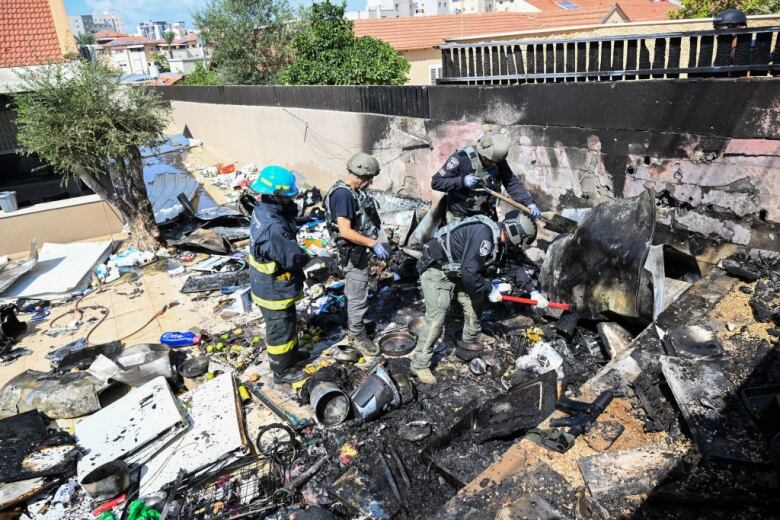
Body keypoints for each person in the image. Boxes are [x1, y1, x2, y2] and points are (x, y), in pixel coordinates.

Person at [410, 210, 549, 384]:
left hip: (458, 269)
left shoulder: (502, 240)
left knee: (475, 302)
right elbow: (470, 272)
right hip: (436, 268)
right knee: (438, 315)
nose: (520, 244)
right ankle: (419, 364)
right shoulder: (484, 236)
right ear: (514, 231)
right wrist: (490, 287)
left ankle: (470, 339)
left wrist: (532, 290)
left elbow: (514, 266)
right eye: (521, 240)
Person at [248, 165, 310, 384]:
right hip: (272, 289)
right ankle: (281, 371)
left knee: (288, 322)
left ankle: (291, 356)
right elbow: (292, 257)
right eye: (287, 196)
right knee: (280, 331)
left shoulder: (263, 208)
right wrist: (309, 256)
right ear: (277, 196)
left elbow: (285, 219)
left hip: (271, 284)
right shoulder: (272, 228)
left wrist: (299, 218)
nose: (291, 198)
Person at [323, 153, 389, 356]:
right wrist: (373, 243)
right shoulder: (343, 195)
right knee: (357, 295)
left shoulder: (352, 191)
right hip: (352, 254)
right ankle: (357, 335)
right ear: (362, 175)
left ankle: (356, 323)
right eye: (369, 179)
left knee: (358, 292)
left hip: (358, 251)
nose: (370, 184)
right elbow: (345, 231)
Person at [432, 130, 540, 224]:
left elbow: (510, 182)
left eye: (496, 162)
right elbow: (436, 182)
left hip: (486, 214)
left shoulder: (497, 160)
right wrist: (462, 181)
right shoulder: (461, 159)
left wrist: (529, 202)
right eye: (491, 162)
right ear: (482, 154)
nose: (494, 165)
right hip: (462, 216)